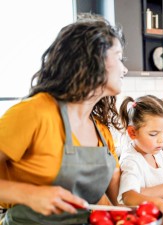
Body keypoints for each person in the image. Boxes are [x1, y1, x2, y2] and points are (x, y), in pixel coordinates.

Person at [0, 15, 127, 224]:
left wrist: (136, 215)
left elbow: (95, 201)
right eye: (119, 57)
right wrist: (29, 194)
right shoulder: (33, 112)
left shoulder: (101, 131)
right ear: (92, 59)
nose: (125, 69)